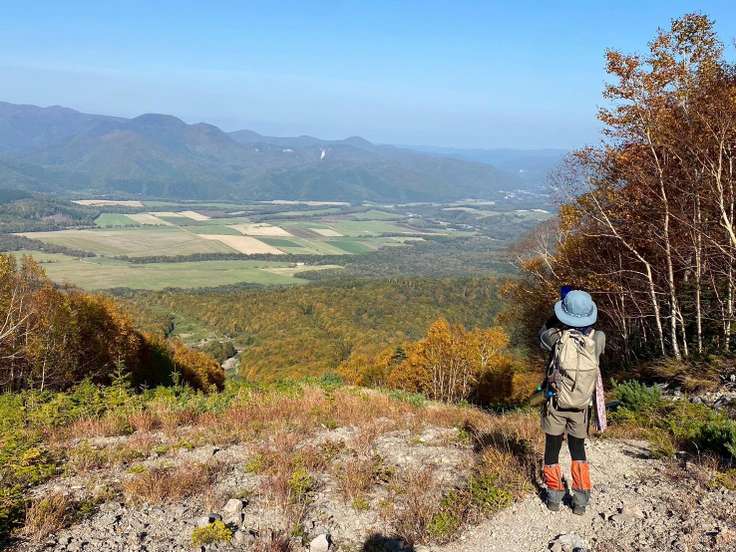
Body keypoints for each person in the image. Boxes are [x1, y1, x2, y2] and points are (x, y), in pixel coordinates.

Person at [538, 289, 605, 515]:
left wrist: (555, 317)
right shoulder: (598, 338)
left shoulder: (555, 338)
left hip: (556, 403)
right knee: (578, 450)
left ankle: (554, 497)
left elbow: (542, 335)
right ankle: (580, 501)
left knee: (552, 449)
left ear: (563, 314)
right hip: (581, 407)